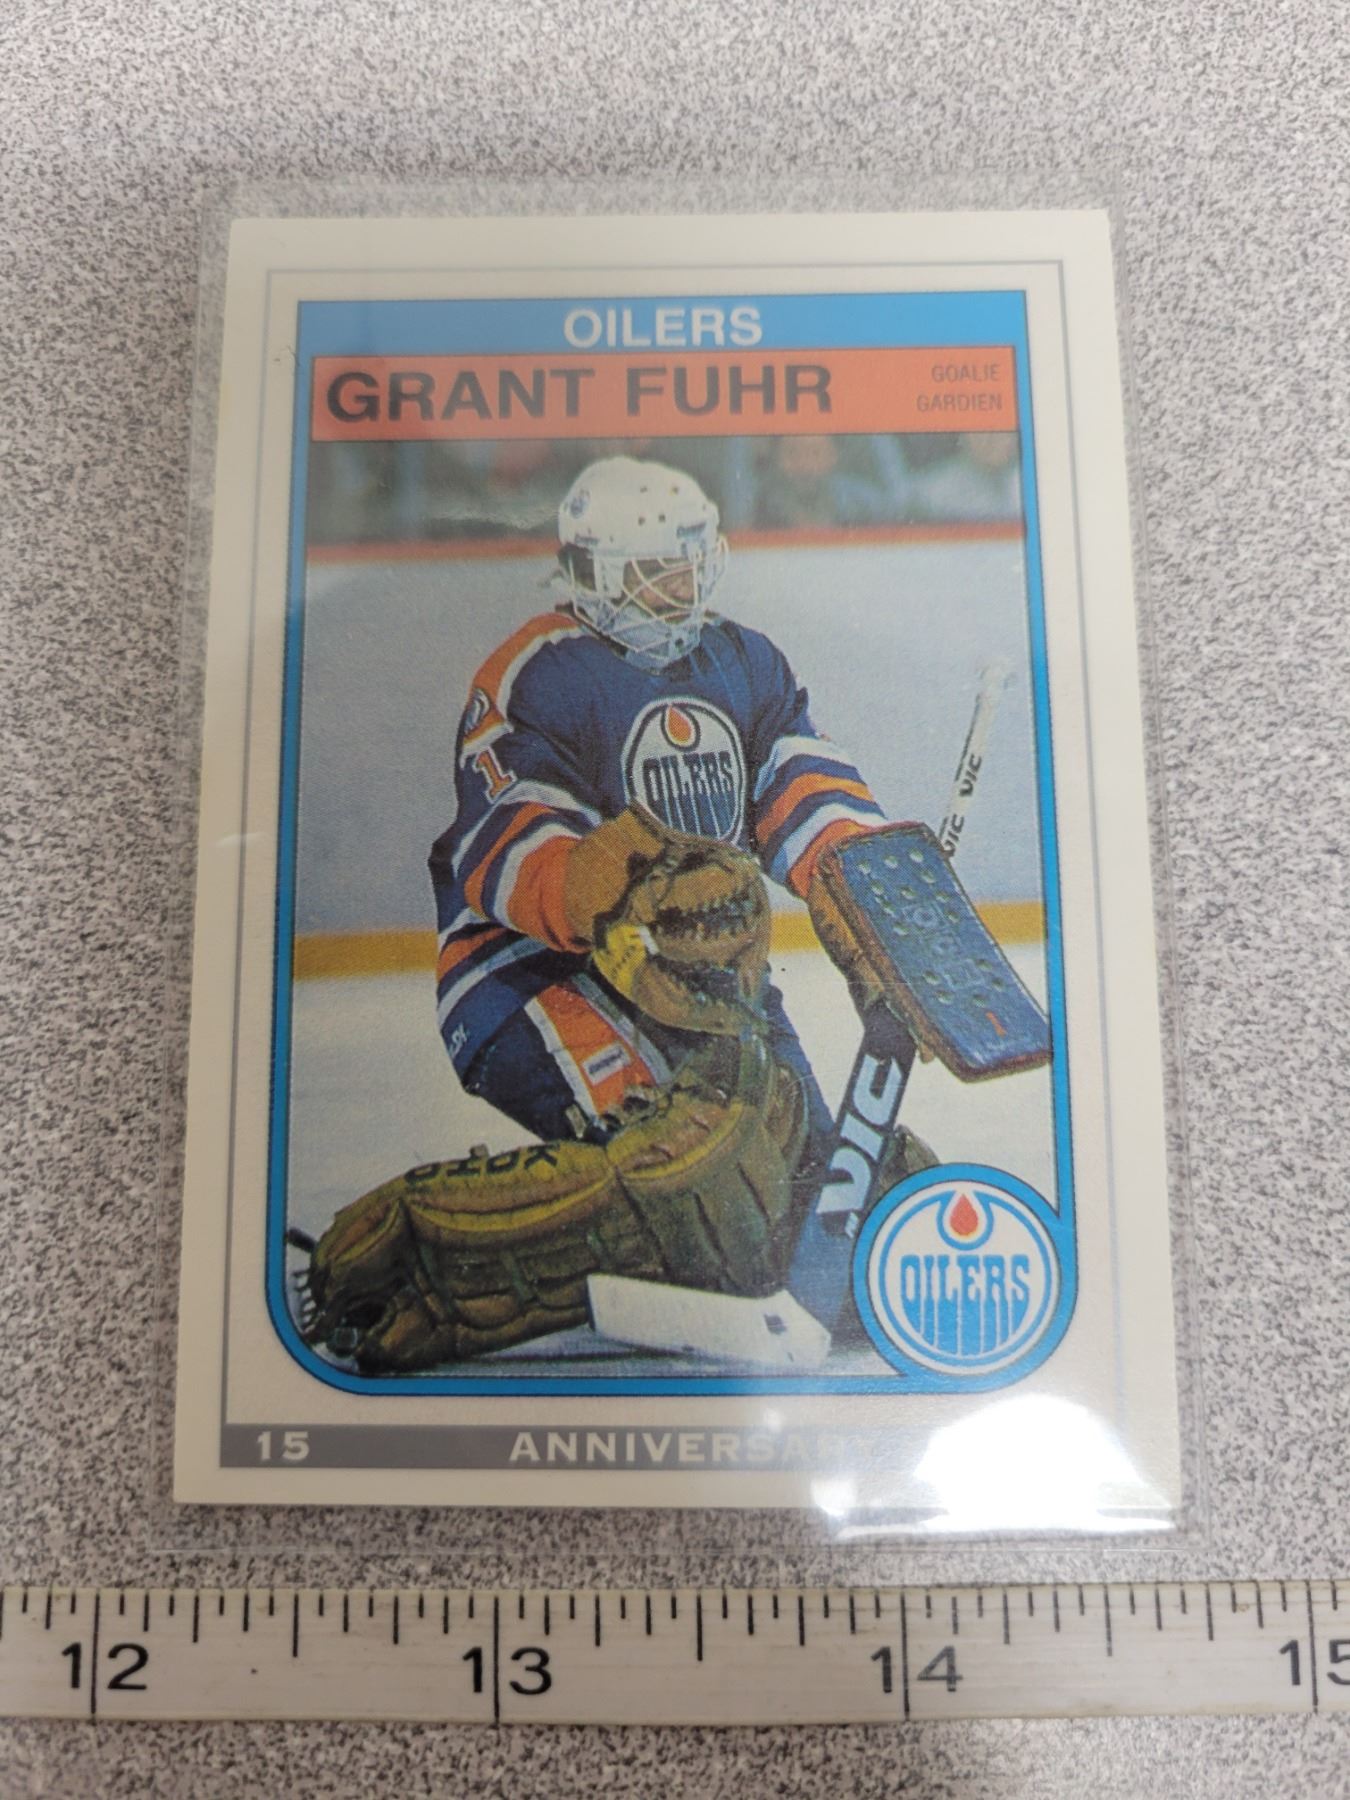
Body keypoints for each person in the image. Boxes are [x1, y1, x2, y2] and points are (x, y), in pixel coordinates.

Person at [294, 455, 933, 1371]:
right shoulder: (536, 672)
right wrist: (602, 887)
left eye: (691, 563)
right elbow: (507, 836)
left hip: (706, 985)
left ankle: (663, 1256)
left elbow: (802, 783)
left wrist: (860, 883)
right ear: (593, 572)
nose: (681, 587)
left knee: (799, 1201)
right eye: (655, 571)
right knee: (691, 1180)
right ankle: (431, 1270)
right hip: (534, 977)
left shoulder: (744, 660)